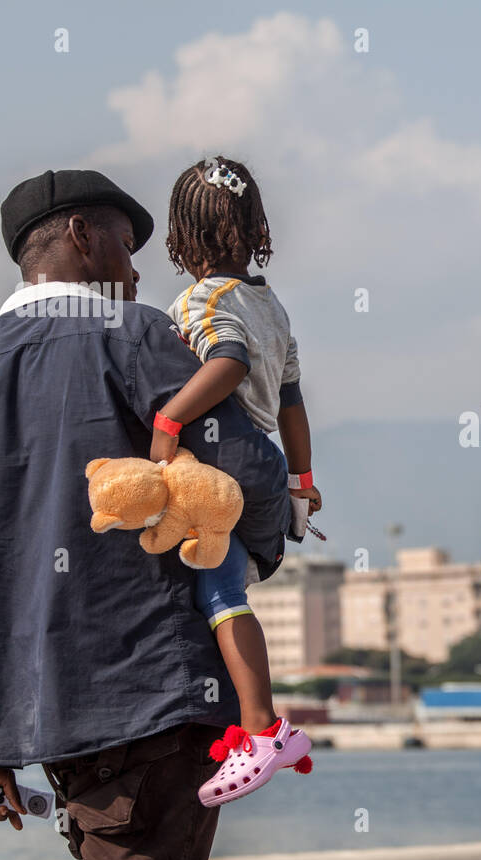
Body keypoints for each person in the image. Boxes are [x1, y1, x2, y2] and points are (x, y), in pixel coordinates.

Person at [0, 169, 292, 860]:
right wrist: (242, 555)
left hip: (34, 713)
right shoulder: (137, 337)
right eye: (123, 241)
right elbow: (250, 470)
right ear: (81, 237)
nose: (138, 268)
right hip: (153, 699)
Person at [150, 156, 319, 806]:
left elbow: (228, 360)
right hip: (271, 473)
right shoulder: (268, 302)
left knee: (217, 593)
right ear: (254, 227)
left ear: (181, 237)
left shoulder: (202, 301)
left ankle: (259, 727)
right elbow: (293, 399)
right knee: (224, 584)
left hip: (230, 464)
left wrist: (169, 421)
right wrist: (303, 481)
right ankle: (248, 722)